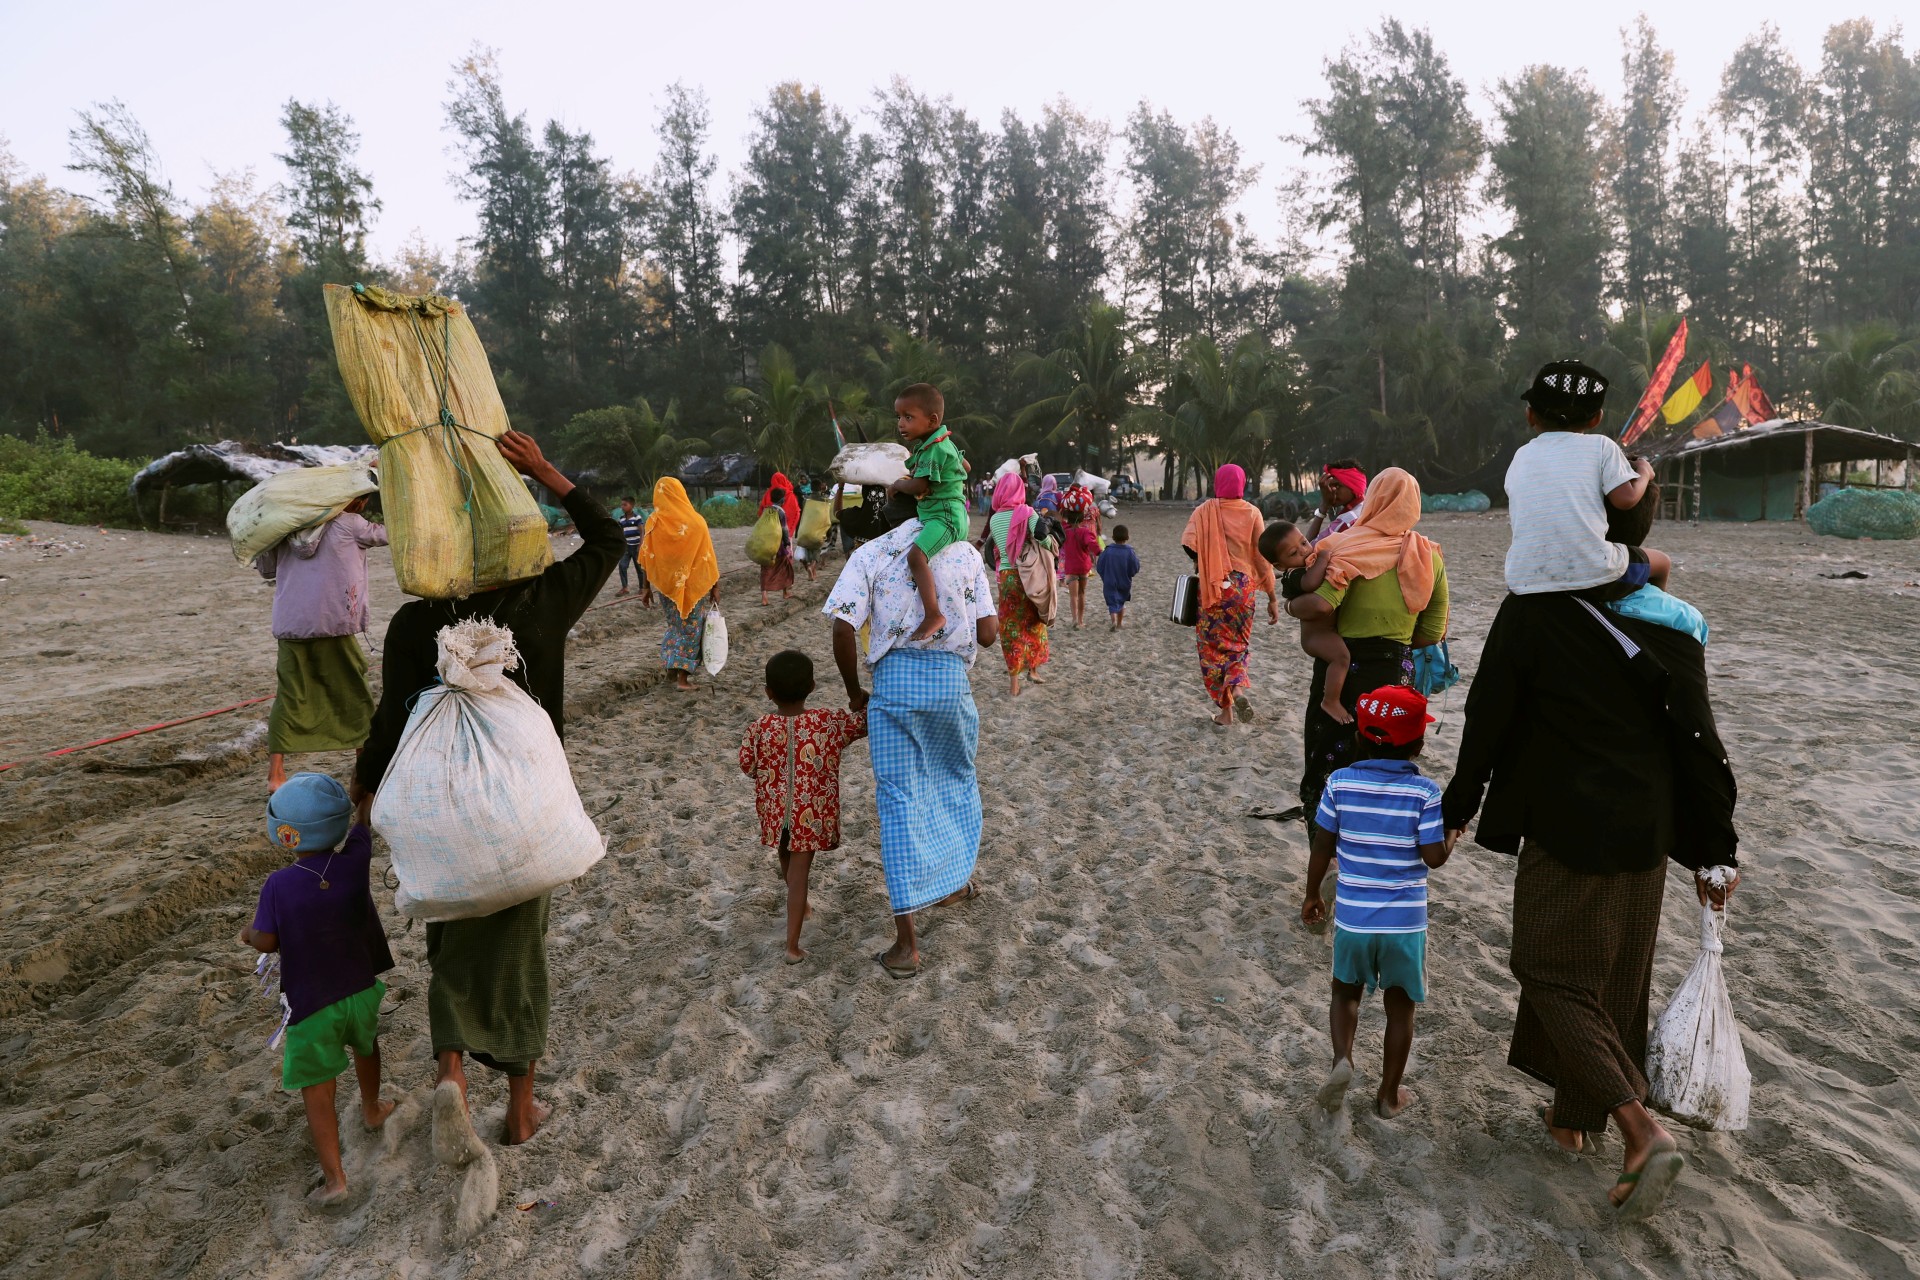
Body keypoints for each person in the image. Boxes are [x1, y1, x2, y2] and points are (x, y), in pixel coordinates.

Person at [354, 430, 620, 1153]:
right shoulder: (542, 601)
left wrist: (362, 795)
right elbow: (606, 538)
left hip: (443, 815)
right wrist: (543, 469)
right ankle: (522, 1108)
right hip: (524, 810)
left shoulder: (415, 624)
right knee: (520, 950)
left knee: (452, 938)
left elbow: (386, 727)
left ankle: (452, 1074)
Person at [1442, 577, 1739, 1221]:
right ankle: (1569, 1121)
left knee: (1547, 969)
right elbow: (1697, 734)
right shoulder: (1673, 618)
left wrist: (1458, 805)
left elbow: (1488, 711)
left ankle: (1641, 1131)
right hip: (1649, 823)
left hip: (1568, 818)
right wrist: (1718, 849)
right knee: (1614, 976)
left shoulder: (1534, 610)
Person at [824, 496, 999, 978]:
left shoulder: (871, 553)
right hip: (950, 687)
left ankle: (906, 946)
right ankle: (955, 884)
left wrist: (854, 691)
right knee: (955, 784)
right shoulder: (965, 553)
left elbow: (842, 626)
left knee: (899, 801)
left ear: (886, 513)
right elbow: (987, 634)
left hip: (894, 689)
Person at [242, 772, 396, 1204]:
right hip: (362, 989)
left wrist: (246, 935)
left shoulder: (278, 885)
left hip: (313, 1005)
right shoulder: (354, 860)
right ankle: (371, 1108)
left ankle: (336, 1181)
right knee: (366, 1045)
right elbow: (362, 826)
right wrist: (363, 799)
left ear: (286, 835)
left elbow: (266, 940)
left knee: (318, 1087)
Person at [1302, 688, 1451, 1120]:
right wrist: (1453, 834)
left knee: (1345, 994)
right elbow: (1433, 857)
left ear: (1360, 739)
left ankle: (1342, 1060)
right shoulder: (1425, 792)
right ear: (1418, 744)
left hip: (1353, 919)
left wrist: (1312, 893)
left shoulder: (1340, 783)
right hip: (1404, 925)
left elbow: (1322, 845)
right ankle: (1388, 1097)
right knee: (1400, 1008)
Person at [1287, 468, 1449, 827]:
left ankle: (1326, 860)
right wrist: (1397, 640)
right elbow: (1433, 632)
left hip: (1342, 672)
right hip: (1395, 676)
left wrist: (1287, 607)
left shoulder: (1341, 546)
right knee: (1385, 769)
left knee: (1327, 765)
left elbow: (1320, 608)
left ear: (1373, 498)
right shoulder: (1428, 556)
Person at [739, 649, 868, 964]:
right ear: (812, 686)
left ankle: (803, 907)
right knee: (800, 874)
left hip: (776, 810)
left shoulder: (760, 727)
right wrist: (865, 700)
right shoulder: (826, 721)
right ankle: (792, 946)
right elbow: (862, 725)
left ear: (769, 693)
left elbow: (747, 764)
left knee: (786, 854)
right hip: (809, 815)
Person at [254, 492, 388, 792]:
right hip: (335, 624)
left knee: (290, 696)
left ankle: (275, 775)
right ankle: (362, 771)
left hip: (292, 627)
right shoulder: (350, 524)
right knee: (355, 695)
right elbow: (390, 535)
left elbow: (266, 569)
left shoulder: (286, 527)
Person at [1505, 359, 1673, 600]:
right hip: (1592, 574)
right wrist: (1645, 473)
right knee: (1662, 563)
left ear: (1530, 416)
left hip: (1521, 578)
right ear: (1596, 419)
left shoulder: (1520, 456)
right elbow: (1625, 500)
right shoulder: (1601, 446)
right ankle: (1650, 614)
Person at [1180, 463, 1278, 726]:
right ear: (1242, 483)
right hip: (1243, 589)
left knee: (1212, 648)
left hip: (1212, 586)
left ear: (1217, 483)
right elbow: (1261, 558)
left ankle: (1226, 712)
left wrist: (1207, 558)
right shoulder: (1252, 513)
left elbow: (1189, 544)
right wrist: (1271, 596)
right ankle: (1237, 688)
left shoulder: (1204, 511)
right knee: (1238, 645)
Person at [885, 383, 970, 643]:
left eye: (908, 417)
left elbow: (919, 486)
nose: (901, 424)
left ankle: (933, 614)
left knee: (916, 558)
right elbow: (966, 464)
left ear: (932, 420)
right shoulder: (942, 443)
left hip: (944, 518)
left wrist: (898, 484)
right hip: (944, 512)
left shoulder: (934, 449)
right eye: (899, 417)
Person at [1260, 520, 1354, 724]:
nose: (1303, 552)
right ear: (1280, 565)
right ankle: (1330, 700)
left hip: (1325, 631)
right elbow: (1311, 582)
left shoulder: (1305, 563)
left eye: (1304, 543)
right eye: (1293, 553)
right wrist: (1323, 557)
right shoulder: (1293, 575)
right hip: (1317, 636)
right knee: (1341, 658)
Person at [638, 477, 722, 691]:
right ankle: (682, 680)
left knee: (675, 626)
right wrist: (715, 587)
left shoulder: (654, 522)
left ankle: (671, 671)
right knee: (691, 630)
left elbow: (648, 558)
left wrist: (646, 587)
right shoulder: (696, 522)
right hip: (693, 587)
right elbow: (707, 557)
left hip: (667, 587)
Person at [986, 471, 1052, 696]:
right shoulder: (1028, 513)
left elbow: (998, 546)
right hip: (1029, 573)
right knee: (1035, 620)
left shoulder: (995, 518)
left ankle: (1014, 683)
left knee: (1011, 625)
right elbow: (1042, 538)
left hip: (1006, 577)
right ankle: (1033, 670)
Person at [758, 475, 799, 606]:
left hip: (766, 544)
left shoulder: (766, 508)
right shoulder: (782, 509)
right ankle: (786, 592)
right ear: (782, 500)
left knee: (766, 569)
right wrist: (787, 543)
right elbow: (785, 529)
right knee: (785, 567)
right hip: (779, 545)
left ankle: (764, 597)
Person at [1304, 461, 1367, 544]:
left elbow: (1308, 547)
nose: (1332, 490)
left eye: (1337, 486)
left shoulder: (1347, 520)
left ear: (1354, 487)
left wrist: (1324, 505)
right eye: (1329, 486)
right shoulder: (1367, 508)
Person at [1058, 510, 1100, 629]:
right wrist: (1099, 552)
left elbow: (1061, 522)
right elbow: (1091, 544)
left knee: (1073, 596)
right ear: (1082, 520)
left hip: (1071, 567)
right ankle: (1081, 620)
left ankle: (1074, 619)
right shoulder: (1085, 532)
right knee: (1082, 594)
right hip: (1083, 566)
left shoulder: (1065, 532)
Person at [1094, 524, 1140, 629]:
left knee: (1112, 601)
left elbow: (1100, 565)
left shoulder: (1108, 550)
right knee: (1121, 601)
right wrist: (1130, 574)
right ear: (1127, 537)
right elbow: (1135, 566)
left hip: (1109, 580)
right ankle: (1119, 623)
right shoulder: (1129, 552)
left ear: (1113, 537)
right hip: (1124, 581)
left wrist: (1104, 577)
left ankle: (1113, 621)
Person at [613, 495, 649, 601]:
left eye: (625, 504)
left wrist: (640, 544)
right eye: (622, 505)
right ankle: (625, 587)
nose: (622, 507)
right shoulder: (622, 519)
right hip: (626, 547)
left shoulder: (637, 517)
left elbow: (642, 531)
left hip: (636, 546)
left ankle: (641, 587)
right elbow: (620, 531)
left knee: (639, 568)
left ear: (631, 506)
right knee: (622, 566)